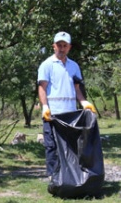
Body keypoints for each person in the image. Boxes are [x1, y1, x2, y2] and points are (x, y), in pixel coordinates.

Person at [37, 31, 96, 178]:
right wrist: (45, 106)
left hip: (70, 114)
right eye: (59, 45)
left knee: (71, 146)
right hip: (52, 114)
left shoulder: (74, 66)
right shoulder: (46, 65)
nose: (62, 48)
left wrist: (83, 102)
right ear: (54, 46)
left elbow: (77, 89)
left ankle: (70, 176)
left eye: (65, 45)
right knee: (52, 146)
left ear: (69, 47)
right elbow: (42, 87)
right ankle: (53, 176)